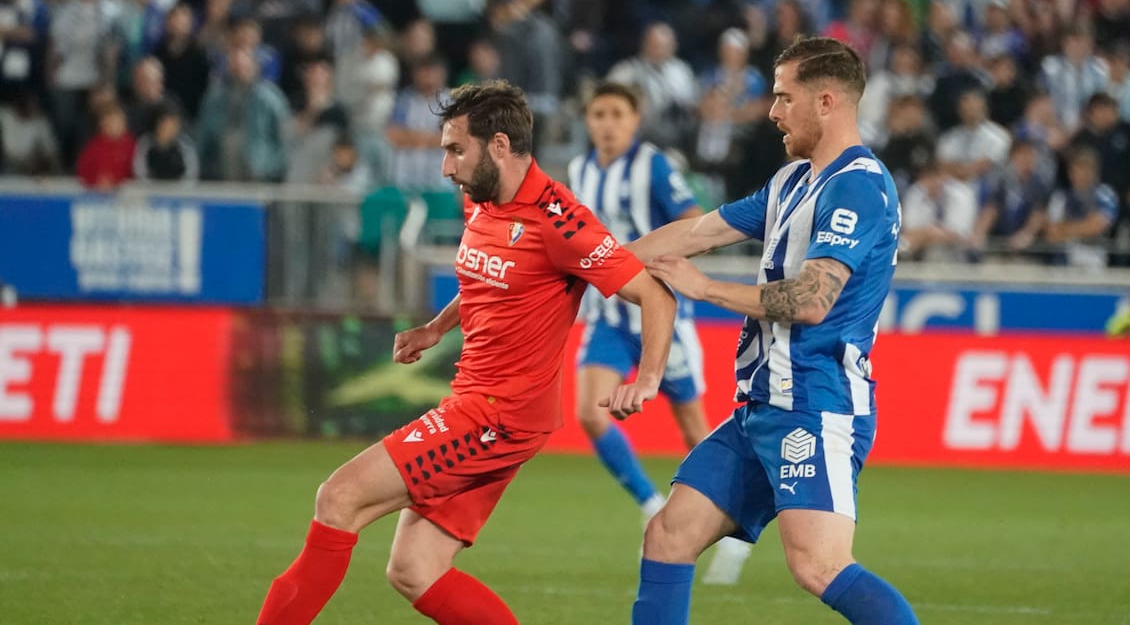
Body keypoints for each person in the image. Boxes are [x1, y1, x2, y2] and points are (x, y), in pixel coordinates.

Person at [255, 80, 678, 625]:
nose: (446, 168)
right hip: (480, 406)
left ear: (499, 146)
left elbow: (653, 296)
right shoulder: (483, 202)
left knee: (339, 498)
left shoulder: (559, 220)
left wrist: (646, 378)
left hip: (498, 416)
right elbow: (493, 276)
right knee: (415, 568)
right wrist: (435, 328)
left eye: (455, 150)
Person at [622, 36, 918, 624]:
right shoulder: (791, 182)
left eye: (785, 97)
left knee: (819, 566)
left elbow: (813, 301)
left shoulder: (857, 184)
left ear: (827, 102)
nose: (772, 111)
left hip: (816, 402)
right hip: (761, 406)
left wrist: (703, 289)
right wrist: (587, 268)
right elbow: (694, 234)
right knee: (668, 536)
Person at [567, 81, 755, 584]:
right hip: (608, 318)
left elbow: (694, 221)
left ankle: (736, 538)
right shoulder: (579, 170)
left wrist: (661, 266)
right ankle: (651, 501)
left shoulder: (652, 165)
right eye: (598, 114)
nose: (606, 123)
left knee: (696, 432)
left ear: (634, 120)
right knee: (589, 411)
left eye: (616, 114)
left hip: (660, 319)